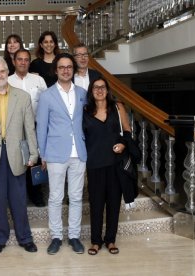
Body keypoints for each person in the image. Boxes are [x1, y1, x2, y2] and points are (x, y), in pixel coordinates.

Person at [0, 56, 38, 255]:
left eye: (2, 71)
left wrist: (34, 154)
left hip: (17, 154)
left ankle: (25, 238)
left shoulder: (23, 96)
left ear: (7, 72)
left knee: (19, 199)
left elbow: (30, 128)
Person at [36, 53, 87, 255]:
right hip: (55, 153)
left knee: (76, 197)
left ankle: (74, 236)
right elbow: (41, 127)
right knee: (56, 197)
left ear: (73, 69)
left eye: (69, 67)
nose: (66, 70)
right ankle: (56, 237)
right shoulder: (47, 95)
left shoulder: (83, 93)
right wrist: (43, 154)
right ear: (55, 70)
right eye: (61, 67)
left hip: (79, 152)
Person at [83, 77, 130, 256]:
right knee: (96, 204)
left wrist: (123, 145)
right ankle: (96, 241)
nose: (100, 90)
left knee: (113, 203)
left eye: (103, 87)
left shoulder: (117, 108)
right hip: (94, 164)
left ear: (107, 90)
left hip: (114, 164)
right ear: (91, 91)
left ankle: (110, 240)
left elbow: (127, 131)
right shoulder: (85, 111)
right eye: (96, 87)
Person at [8, 48, 47, 207]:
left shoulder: (39, 81)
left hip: (36, 126)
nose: (23, 62)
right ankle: (19, 196)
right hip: (15, 128)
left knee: (35, 160)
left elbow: (45, 104)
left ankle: (36, 195)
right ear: (13, 61)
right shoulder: (8, 81)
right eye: (19, 59)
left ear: (29, 62)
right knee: (18, 161)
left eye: (26, 59)